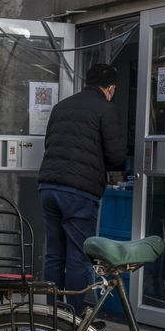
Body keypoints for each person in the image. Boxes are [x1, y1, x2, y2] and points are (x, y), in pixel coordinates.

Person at [37, 63, 126, 315]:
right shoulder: (106, 109)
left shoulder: (61, 106)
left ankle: (52, 315)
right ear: (110, 88)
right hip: (78, 192)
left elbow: (49, 143)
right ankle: (72, 319)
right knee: (77, 257)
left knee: (54, 255)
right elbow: (116, 156)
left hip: (48, 186)